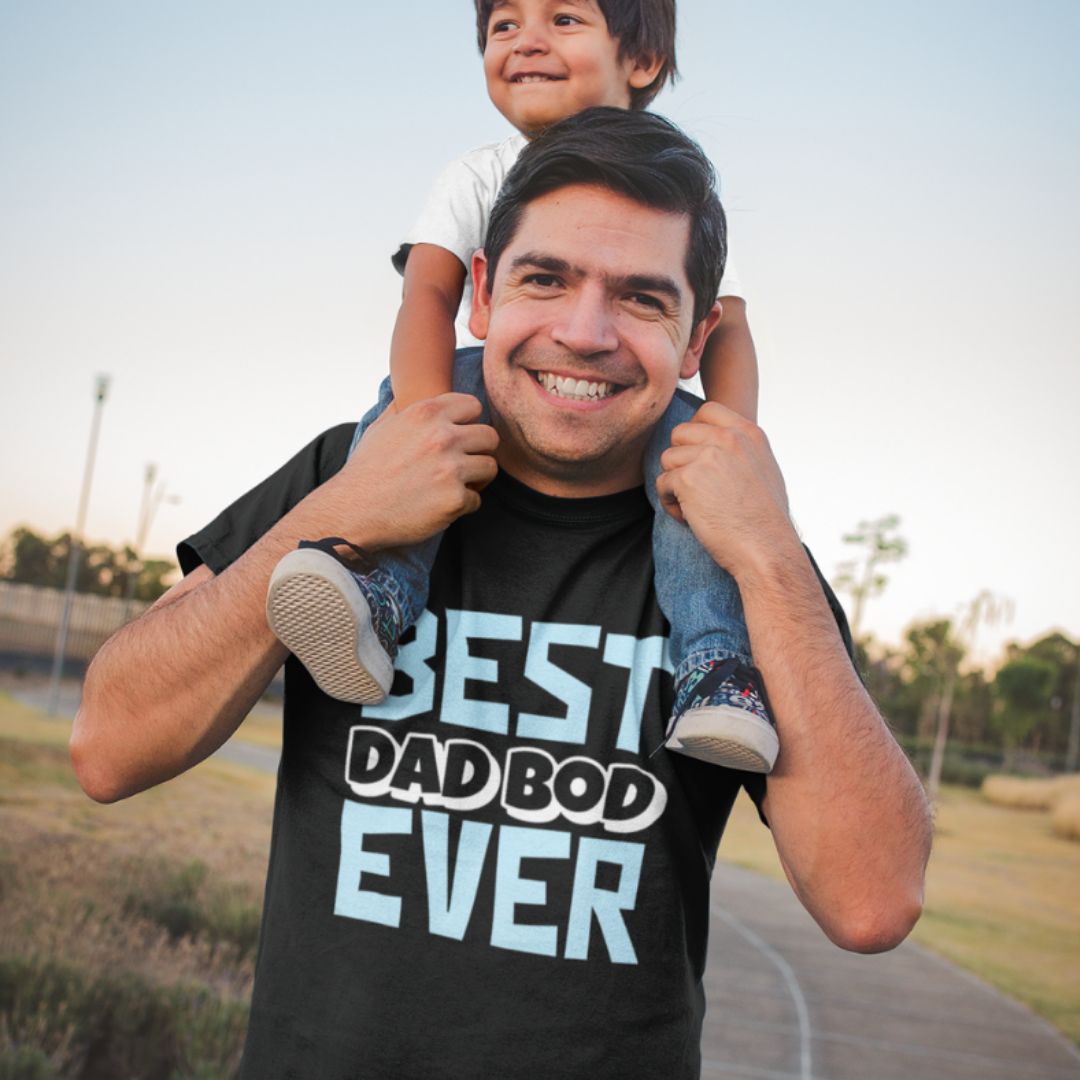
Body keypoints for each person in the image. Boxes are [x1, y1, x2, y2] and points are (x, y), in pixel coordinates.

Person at [70, 110, 932, 1080]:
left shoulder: (742, 554)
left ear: (698, 341)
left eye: (643, 299)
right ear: (479, 293)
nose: (584, 331)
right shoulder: (347, 470)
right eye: (545, 278)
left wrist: (769, 555)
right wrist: (348, 508)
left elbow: (872, 899)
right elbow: (107, 747)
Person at [265, 0, 779, 774]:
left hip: (640, 410)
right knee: (396, 422)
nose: (526, 40)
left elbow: (727, 328)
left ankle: (716, 667)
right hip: (486, 383)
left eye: (564, 19)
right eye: (505, 25)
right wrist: (421, 419)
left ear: (640, 62)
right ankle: (382, 593)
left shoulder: (676, 198)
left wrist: (726, 450)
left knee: (690, 484)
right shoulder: (477, 173)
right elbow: (428, 298)